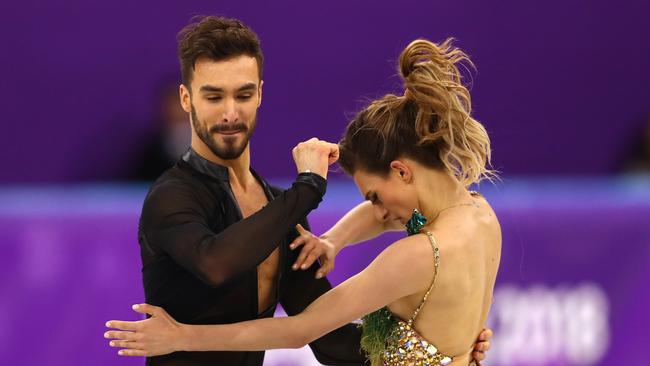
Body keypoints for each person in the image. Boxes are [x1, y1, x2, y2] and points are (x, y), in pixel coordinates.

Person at [105, 37, 501, 366]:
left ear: (401, 171)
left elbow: (301, 331)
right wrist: (451, 350)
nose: (380, 212)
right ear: (187, 98)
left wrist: (181, 337)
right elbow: (386, 217)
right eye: (214, 95)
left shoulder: (416, 255)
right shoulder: (481, 216)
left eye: (374, 197)